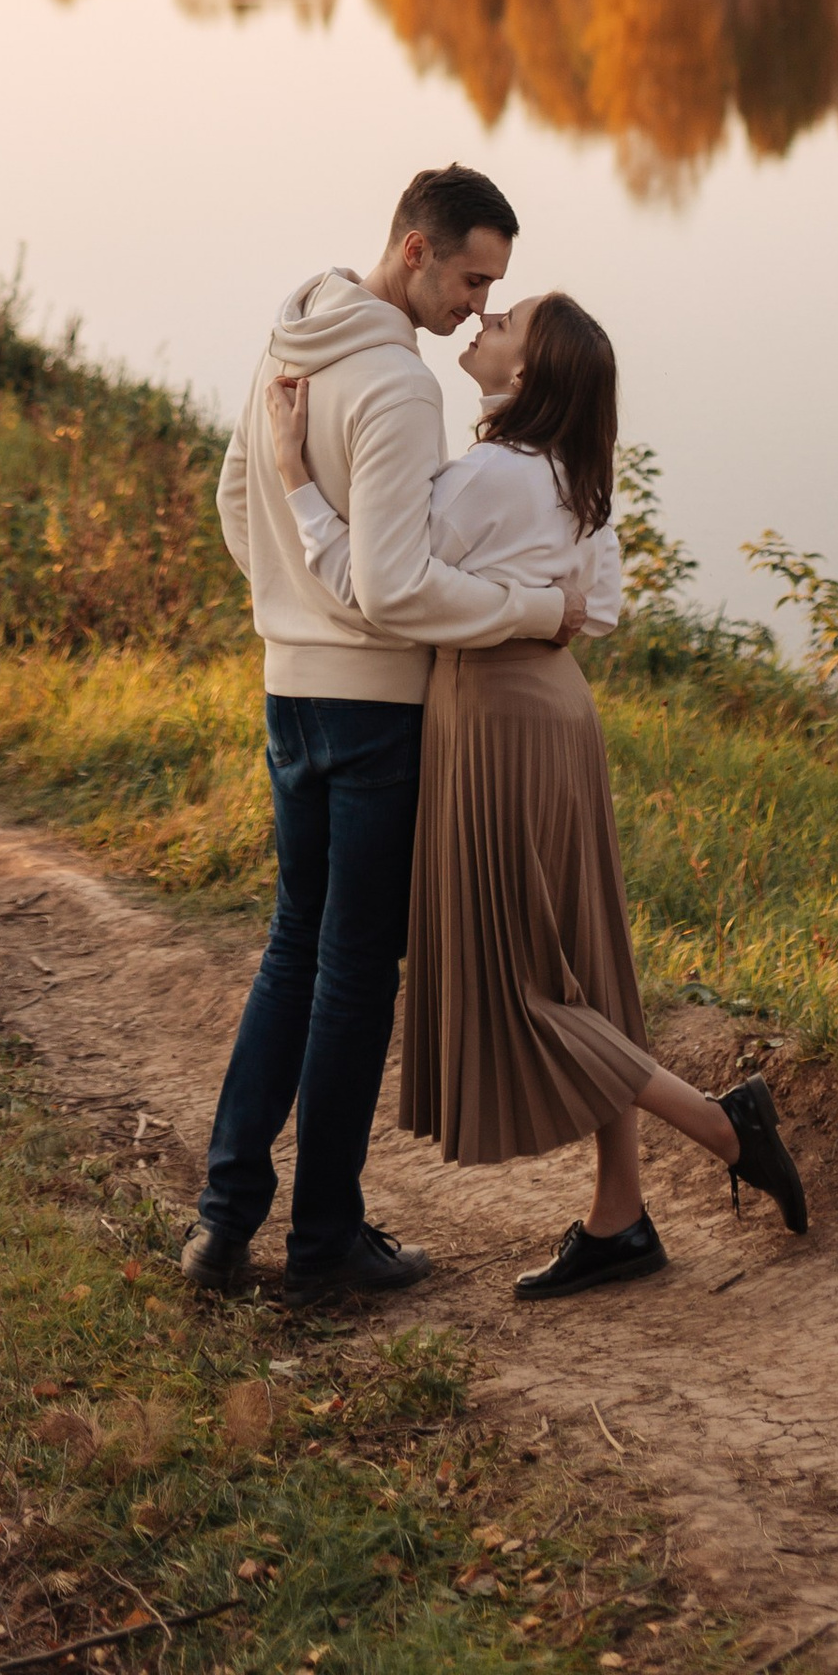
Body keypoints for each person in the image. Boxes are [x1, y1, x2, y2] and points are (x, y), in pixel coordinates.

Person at [267, 284, 809, 1300]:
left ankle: (722, 1124)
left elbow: (370, 588)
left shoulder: (487, 475)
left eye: (505, 323)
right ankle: (620, 1217)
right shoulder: (572, 477)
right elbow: (590, 611)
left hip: (493, 714)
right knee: (586, 961)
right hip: (560, 708)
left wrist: (297, 475)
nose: (486, 318)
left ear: (522, 378)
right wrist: (529, 609)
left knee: (520, 985)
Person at [183, 163, 594, 1303]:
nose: (476, 304)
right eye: (471, 277)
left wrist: (294, 609)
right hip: (373, 710)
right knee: (354, 973)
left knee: (292, 948)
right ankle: (323, 1245)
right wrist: (527, 611)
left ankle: (223, 1219)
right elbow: (398, 586)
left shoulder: (291, 336)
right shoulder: (400, 386)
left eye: (492, 286)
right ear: (415, 249)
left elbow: (233, 502)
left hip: (289, 692)